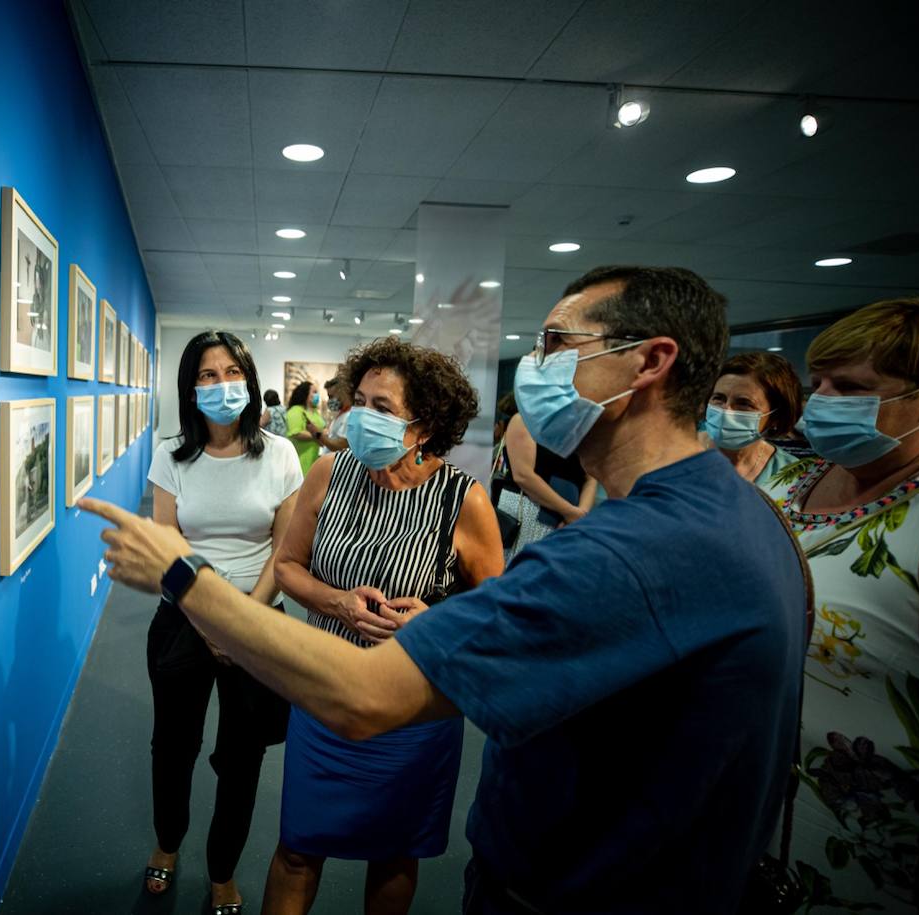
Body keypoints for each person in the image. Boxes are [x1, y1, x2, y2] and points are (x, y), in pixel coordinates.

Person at [83, 265, 808, 914]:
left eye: (556, 345)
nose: (534, 366)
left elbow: (366, 696)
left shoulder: (624, 553)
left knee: (387, 852)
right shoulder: (747, 515)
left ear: (650, 362)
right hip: (614, 871)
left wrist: (181, 573)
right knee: (291, 841)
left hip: (586, 885)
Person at [264, 337, 503, 914]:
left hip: (413, 709)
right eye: (359, 400)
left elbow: (495, 614)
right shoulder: (328, 472)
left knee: (396, 854)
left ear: (424, 427)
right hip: (324, 689)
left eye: (382, 408)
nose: (360, 417)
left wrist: (435, 621)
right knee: (297, 848)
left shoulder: (462, 500)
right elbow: (289, 568)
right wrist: (338, 602)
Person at [759, 297, 919, 913]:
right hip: (753, 811)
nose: (823, 402)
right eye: (819, 384)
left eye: (854, 387)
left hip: (882, 844)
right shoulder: (788, 486)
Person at [143, 331, 303, 915]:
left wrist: (242, 621)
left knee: (243, 760)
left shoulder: (280, 454)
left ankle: (222, 872)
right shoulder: (171, 453)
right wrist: (209, 619)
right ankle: (166, 843)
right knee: (173, 746)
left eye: (231, 371)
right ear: (190, 388)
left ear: (250, 379)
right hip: (185, 617)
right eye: (206, 375)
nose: (221, 384)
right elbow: (167, 540)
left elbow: (284, 551)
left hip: (259, 621)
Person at [496, 412, 597, 561]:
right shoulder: (524, 420)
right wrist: (569, 512)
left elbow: (591, 477)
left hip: (570, 522)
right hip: (527, 513)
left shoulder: (579, 428)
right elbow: (523, 475)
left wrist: (580, 515)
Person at [703, 352, 804, 486]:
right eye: (718, 398)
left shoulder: (791, 476)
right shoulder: (675, 455)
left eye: (744, 403)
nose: (725, 410)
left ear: (775, 417)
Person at [285, 382, 326, 474]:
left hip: (314, 461)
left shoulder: (315, 413)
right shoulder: (295, 410)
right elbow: (297, 433)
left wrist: (320, 434)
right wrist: (320, 435)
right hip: (299, 463)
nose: (317, 395)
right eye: (314, 392)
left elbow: (325, 429)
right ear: (305, 393)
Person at [319, 375, 351, 452]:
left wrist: (318, 434)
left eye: (331, 396)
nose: (329, 400)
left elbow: (340, 446)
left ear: (344, 393)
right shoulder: (342, 413)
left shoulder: (350, 415)